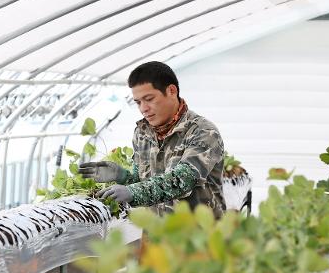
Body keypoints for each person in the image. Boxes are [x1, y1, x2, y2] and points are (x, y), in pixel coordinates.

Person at [79, 61, 225, 217]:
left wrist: (132, 192)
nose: (143, 108)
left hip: (198, 237)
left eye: (149, 99)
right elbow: (141, 181)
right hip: (157, 234)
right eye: (138, 102)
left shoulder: (203, 132)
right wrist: (122, 176)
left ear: (171, 91)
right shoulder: (142, 133)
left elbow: (182, 181)